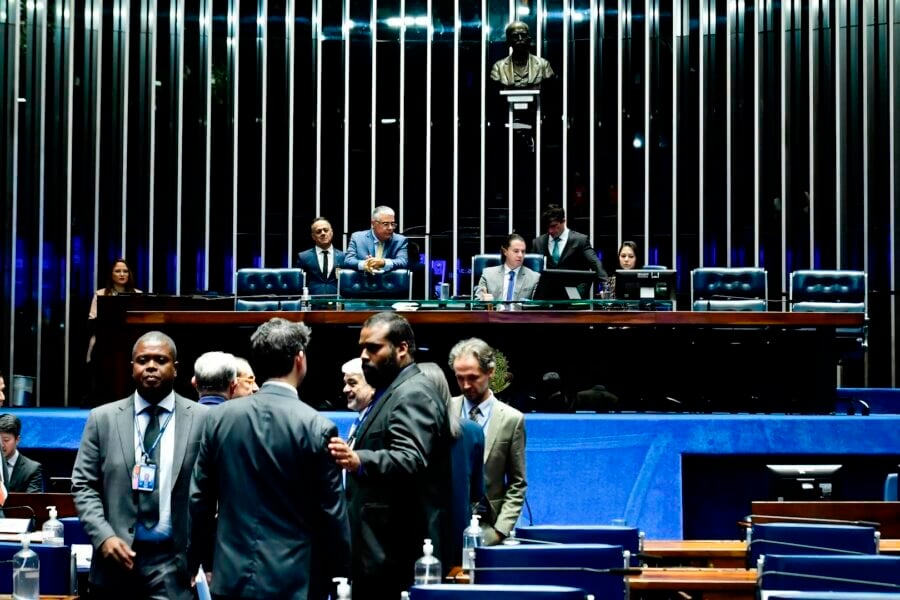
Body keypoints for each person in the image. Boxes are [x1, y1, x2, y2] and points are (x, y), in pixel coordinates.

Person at [190, 317, 351, 600]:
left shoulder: (218, 419)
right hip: (295, 579)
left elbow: (200, 500)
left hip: (230, 575)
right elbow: (331, 513)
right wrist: (340, 572)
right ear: (300, 359)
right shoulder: (316, 426)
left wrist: (197, 561)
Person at [71, 331, 209, 600]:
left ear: (176, 368)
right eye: (142, 360)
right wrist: (104, 537)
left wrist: (207, 556)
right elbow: (83, 485)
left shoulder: (202, 419)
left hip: (174, 564)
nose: (151, 366)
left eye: (160, 360)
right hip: (114, 562)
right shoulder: (103, 419)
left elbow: (216, 490)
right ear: (132, 367)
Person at [327, 312, 453, 599]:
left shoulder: (413, 393)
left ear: (402, 348)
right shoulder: (391, 392)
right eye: (362, 347)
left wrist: (360, 460)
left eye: (373, 348)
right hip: (378, 551)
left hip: (395, 553)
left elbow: (411, 457)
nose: (363, 355)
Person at [449, 337, 527, 546]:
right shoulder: (444, 410)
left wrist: (500, 531)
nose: (466, 385)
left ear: (490, 372)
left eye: (473, 377)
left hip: (488, 527)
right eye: (459, 378)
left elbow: (517, 483)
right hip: (448, 522)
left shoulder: (512, 419)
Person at [418, 361, 486, 569]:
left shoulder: (404, 435)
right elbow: (477, 493)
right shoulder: (473, 432)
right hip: (459, 541)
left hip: (413, 542)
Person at [87, 258, 142, 363]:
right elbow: (92, 323)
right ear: (111, 274)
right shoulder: (100, 294)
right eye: (117, 271)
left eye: (125, 271)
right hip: (105, 343)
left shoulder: (138, 294)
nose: (122, 274)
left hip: (131, 343)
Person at [532, 204, 607, 277]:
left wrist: (607, 288)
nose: (550, 230)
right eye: (547, 227)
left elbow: (596, 265)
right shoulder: (538, 243)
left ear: (563, 221)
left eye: (554, 226)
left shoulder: (580, 240)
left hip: (572, 287)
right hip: (546, 288)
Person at [475, 233, 540, 302]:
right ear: (505, 252)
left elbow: (538, 306)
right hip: (494, 312)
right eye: (516, 251)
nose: (520, 255)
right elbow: (476, 302)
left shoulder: (535, 277)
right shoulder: (488, 274)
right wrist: (482, 299)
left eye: (523, 251)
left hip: (521, 312)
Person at [490, 21, 555, 89]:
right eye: (515, 36)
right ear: (508, 42)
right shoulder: (498, 67)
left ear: (529, 39)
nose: (520, 39)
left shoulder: (543, 64)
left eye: (523, 35)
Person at [344, 205, 409, 274]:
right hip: (363, 281)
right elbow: (348, 260)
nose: (390, 228)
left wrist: (383, 262)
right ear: (373, 224)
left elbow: (403, 261)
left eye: (392, 224)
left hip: (389, 281)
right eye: (386, 224)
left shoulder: (400, 240)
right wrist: (365, 264)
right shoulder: (357, 237)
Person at [295, 217, 345, 295]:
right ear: (313, 236)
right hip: (312, 302)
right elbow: (298, 284)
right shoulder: (303, 257)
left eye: (326, 230)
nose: (323, 233)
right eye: (318, 231)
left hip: (337, 302)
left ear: (331, 232)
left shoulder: (343, 256)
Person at [0, 413, 43, 492]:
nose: (1, 445)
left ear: (17, 440)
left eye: (6, 440)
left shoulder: (32, 469)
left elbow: (32, 501)